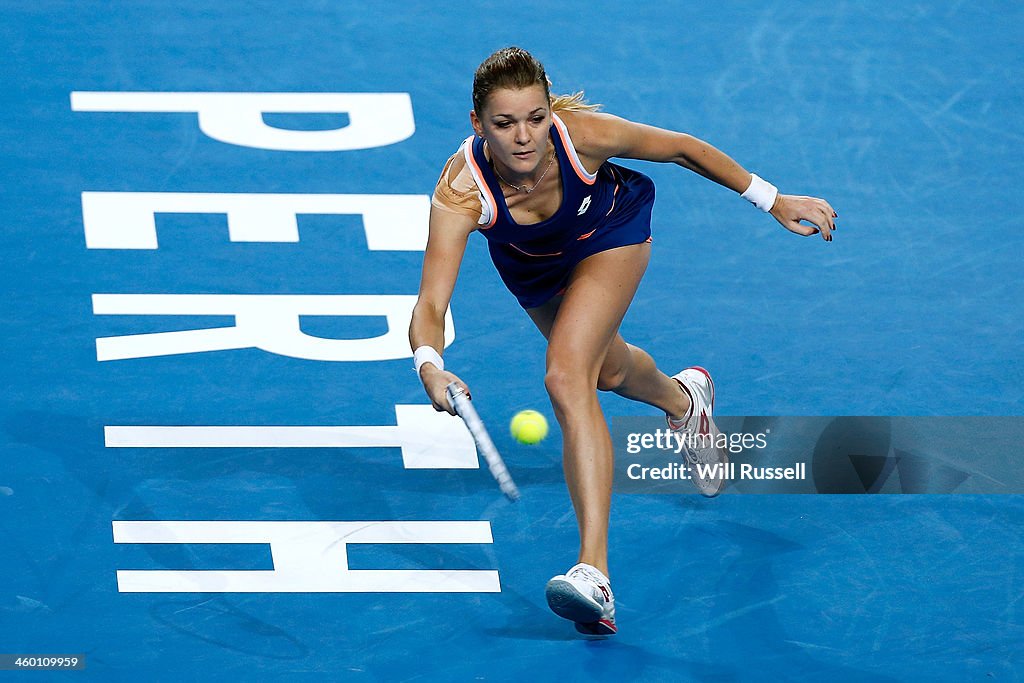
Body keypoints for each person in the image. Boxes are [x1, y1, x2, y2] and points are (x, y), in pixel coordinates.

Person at [408, 46, 837, 636]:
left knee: (566, 374)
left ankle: (594, 573)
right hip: (534, 269)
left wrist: (774, 200)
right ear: (478, 125)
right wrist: (429, 364)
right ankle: (686, 403)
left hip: (610, 232)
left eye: (535, 117)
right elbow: (432, 302)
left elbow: (685, 148)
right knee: (606, 373)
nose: (525, 137)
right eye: (505, 124)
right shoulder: (461, 192)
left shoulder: (581, 136)